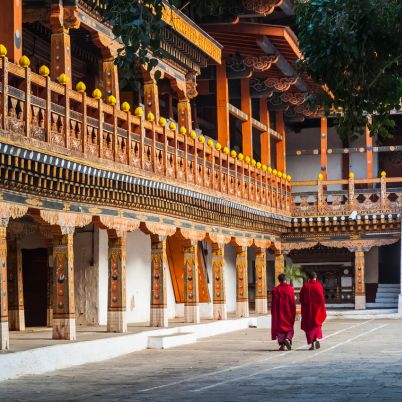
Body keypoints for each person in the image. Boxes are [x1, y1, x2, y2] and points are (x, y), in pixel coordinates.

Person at [299, 271, 327, 350]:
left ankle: (312, 344)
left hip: (308, 310)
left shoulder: (305, 286)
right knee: (316, 324)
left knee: (309, 326)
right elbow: (321, 298)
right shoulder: (318, 285)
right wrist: (320, 307)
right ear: (316, 277)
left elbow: (301, 298)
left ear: (308, 277)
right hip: (317, 310)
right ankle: (316, 339)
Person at [271, 273, 296, 351]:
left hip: (279, 313)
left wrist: (273, 313)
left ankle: (282, 345)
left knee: (280, 329)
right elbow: (293, 302)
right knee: (289, 327)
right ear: (286, 279)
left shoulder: (276, 290)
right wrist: (293, 312)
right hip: (288, 312)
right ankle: (288, 339)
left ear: (279, 280)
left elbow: (274, 304)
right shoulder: (290, 289)